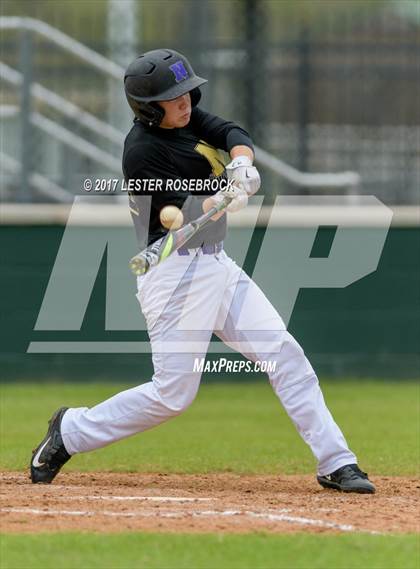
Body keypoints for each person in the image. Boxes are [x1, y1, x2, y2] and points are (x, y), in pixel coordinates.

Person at [30, 49, 375, 494]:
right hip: (174, 274)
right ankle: (71, 430)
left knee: (284, 354)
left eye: (186, 92)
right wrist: (221, 197)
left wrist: (243, 162)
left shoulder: (186, 117)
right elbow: (178, 213)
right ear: (148, 108)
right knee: (173, 395)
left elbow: (230, 131)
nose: (186, 102)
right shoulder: (142, 152)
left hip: (216, 264)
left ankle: (336, 462)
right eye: (173, 99)